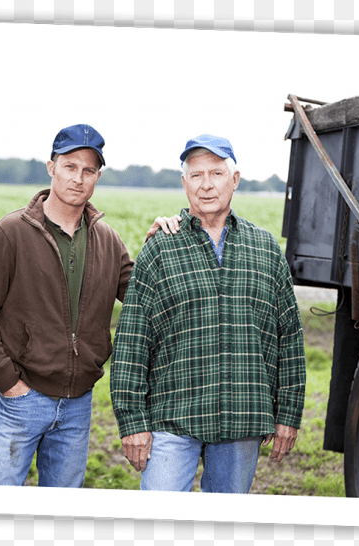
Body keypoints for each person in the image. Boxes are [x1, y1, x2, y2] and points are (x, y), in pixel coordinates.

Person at [0, 124, 170, 487]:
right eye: (70, 166)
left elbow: (144, 297)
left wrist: (159, 245)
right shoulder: (10, 233)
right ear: (51, 167)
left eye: (89, 170)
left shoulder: (107, 240)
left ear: (98, 176)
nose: (78, 178)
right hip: (20, 400)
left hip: (77, 405)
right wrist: (7, 381)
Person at [110, 134, 307, 493]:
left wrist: (288, 414)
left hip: (243, 417)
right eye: (196, 175)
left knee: (225, 528)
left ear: (234, 180)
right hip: (174, 415)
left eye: (216, 174)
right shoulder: (161, 248)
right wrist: (132, 421)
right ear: (184, 184)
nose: (206, 185)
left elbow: (289, 337)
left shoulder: (265, 249)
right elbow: (132, 342)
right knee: (159, 527)